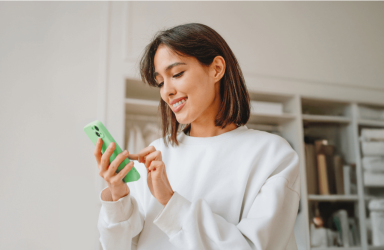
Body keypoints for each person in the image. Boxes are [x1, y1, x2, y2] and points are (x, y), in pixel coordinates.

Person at [95, 23, 300, 250]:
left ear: (217, 69)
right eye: (160, 83)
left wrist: (171, 202)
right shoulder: (155, 154)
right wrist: (119, 197)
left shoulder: (273, 155)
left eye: (177, 74)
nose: (167, 91)